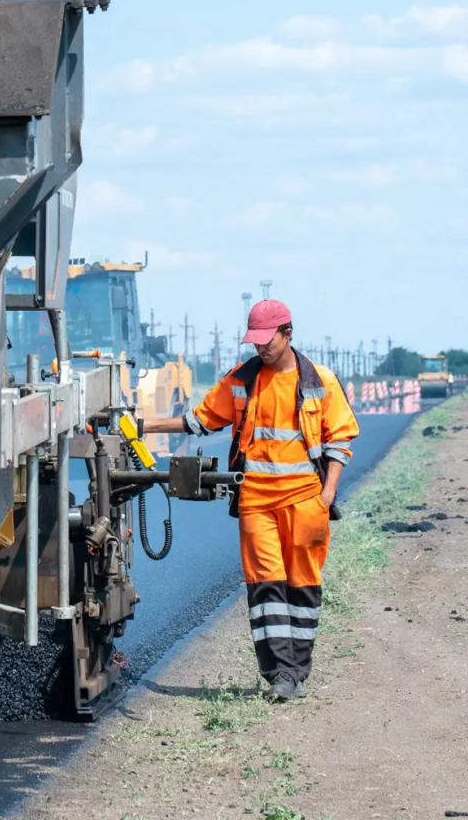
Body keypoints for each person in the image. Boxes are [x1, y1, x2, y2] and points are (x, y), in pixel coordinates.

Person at [142, 299, 359, 701]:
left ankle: (297, 671)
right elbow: (199, 421)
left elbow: (340, 441)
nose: (260, 348)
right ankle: (279, 675)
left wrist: (327, 495)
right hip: (256, 503)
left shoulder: (319, 382)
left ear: (287, 334)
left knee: (302, 587)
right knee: (264, 587)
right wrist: (141, 424)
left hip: (305, 503)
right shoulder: (242, 380)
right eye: (255, 341)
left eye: (267, 341)